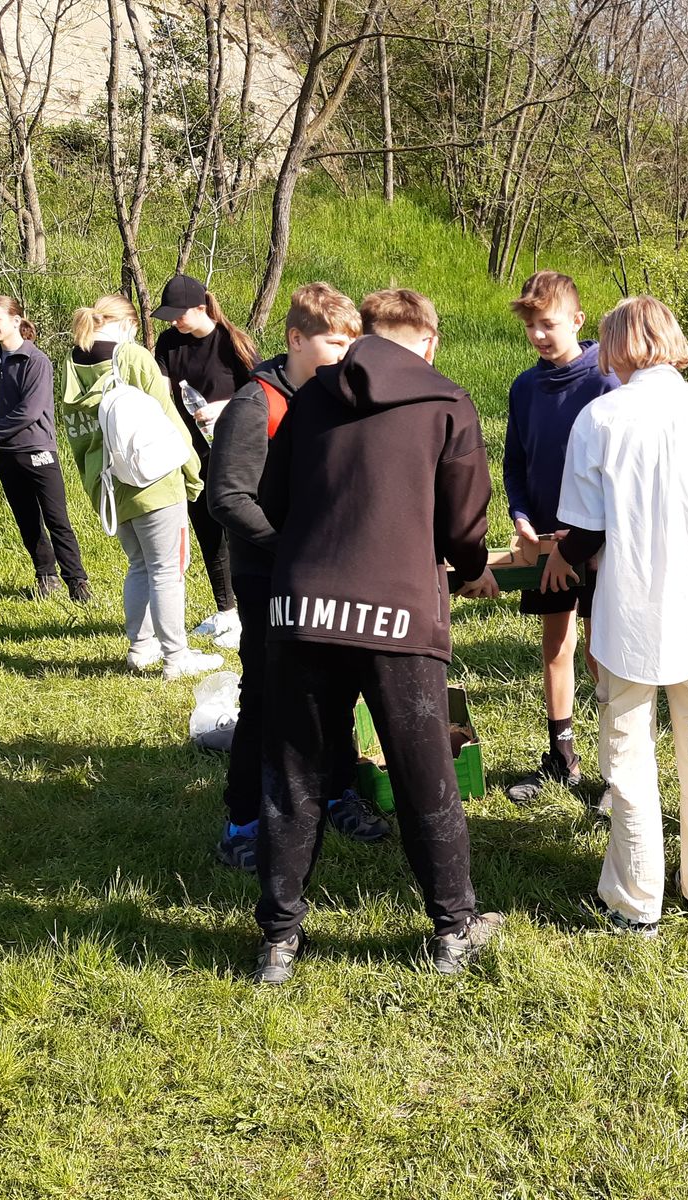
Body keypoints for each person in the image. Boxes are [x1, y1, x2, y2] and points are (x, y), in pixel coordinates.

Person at [250, 288, 502, 984]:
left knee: (293, 775)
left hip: (302, 611)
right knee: (425, 773)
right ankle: (453, 928)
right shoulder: (446, 402)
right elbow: (464, 524)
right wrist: (472, 569)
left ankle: (278, 940)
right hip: (398, 615)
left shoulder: (310, 396)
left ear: (363, 333)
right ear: (430, 342)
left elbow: (272, 499)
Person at [540, 297, 688, 935]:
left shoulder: (601, 417)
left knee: (629, 754)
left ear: (614, 346)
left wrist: (562, 555)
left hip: (627, 610)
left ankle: (637, 898)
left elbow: (585, 529)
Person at [206, 282, 389, 872]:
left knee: (334, 688)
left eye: (350, 343)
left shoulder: (335, 397)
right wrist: (288, 549)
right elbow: (227, 498)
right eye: (334, 343)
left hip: (328, 573)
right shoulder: (255, 404)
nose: (344, 354)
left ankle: (337, 793)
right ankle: (243, 822)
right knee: (266, 694)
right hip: (268, 576)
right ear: (295, 339)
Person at [58, 295, 221, 680]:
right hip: (154, 479)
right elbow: (169, 418)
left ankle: (141, 648)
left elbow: (78, 435)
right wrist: (192, 471)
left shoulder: (72, 364)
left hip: (108, 482)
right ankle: (176, 657)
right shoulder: (131, 356)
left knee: (140, 566)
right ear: (128, 324)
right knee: (167, 569)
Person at [501, 270, 615, 805]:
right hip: (546, 541)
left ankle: (616, 767)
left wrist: (590, 536)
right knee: (556, 644)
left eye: (548, 324)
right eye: (531, 327)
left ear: (577, 320)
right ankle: (561, 757)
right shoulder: (525, 387)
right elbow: (516, 461)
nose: (539, 335)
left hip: (597, 543)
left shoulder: (605, 382)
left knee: (600, 651)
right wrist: (521, 515)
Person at [152, 273, 258, 650]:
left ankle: (252, 614)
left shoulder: (232, 342)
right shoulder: (168, 343)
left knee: (238, 533)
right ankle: (226, 611)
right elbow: (159, 388)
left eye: (179, 314)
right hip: (190, 452)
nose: (173, 322)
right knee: (207, 532)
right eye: (169, 316)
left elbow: (263, 394)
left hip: (235, 451)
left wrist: (224, 407)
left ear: (201, 308)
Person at [0, 296, 91, 603]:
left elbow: (30, 410)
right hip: (5, 453)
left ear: (15, 320)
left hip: (38, 450)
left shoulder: (36, 360)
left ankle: (77, 583)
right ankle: (45, 576)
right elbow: (4, 408)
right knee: (27, 520)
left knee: (56, 519)